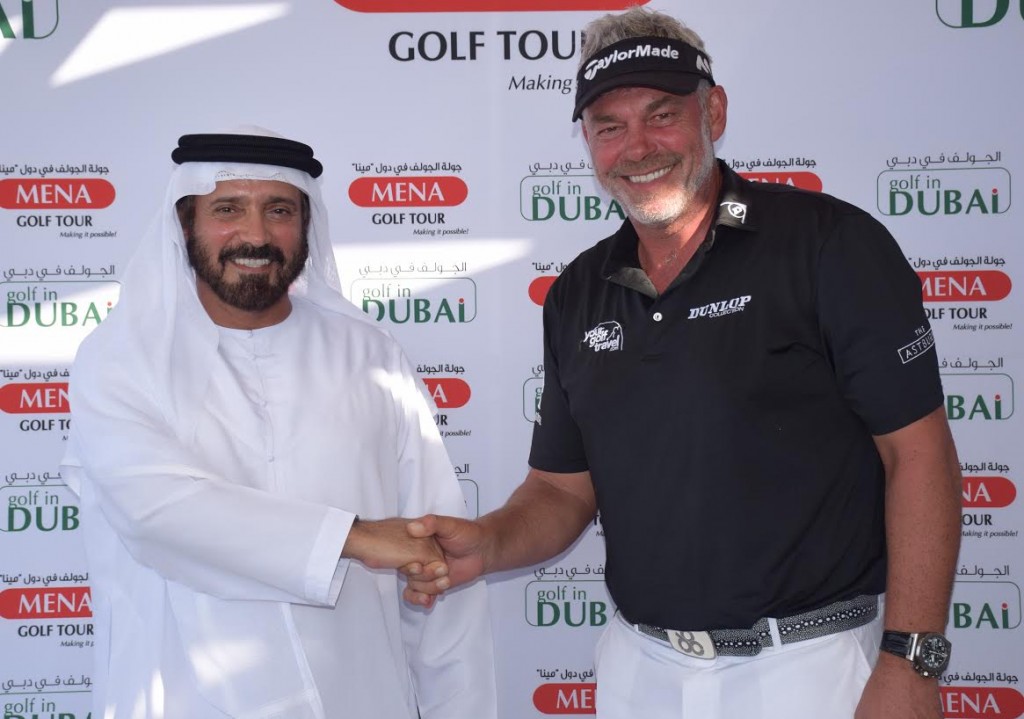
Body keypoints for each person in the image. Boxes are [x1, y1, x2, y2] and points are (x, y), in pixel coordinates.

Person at [403, 8, 961, 719]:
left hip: (811, 669)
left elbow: (919, 457)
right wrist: (487, 541)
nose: (637, 147)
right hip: (640, 669)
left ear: (714, 111)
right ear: (588, 141)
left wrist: (913, 659)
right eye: (609, 126)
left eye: (661, 115)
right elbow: (561, 490)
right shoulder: (578, 290)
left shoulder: (829, 246)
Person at [61, 128, 496, 719]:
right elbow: (156, 510)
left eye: (279, 210)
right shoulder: (122, 358)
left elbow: (433, 556)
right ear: (185, 224)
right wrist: (357, 537)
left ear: (306, 225)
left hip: (358, 698)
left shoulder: (369, 354)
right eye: (227, 210)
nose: (256, 235)